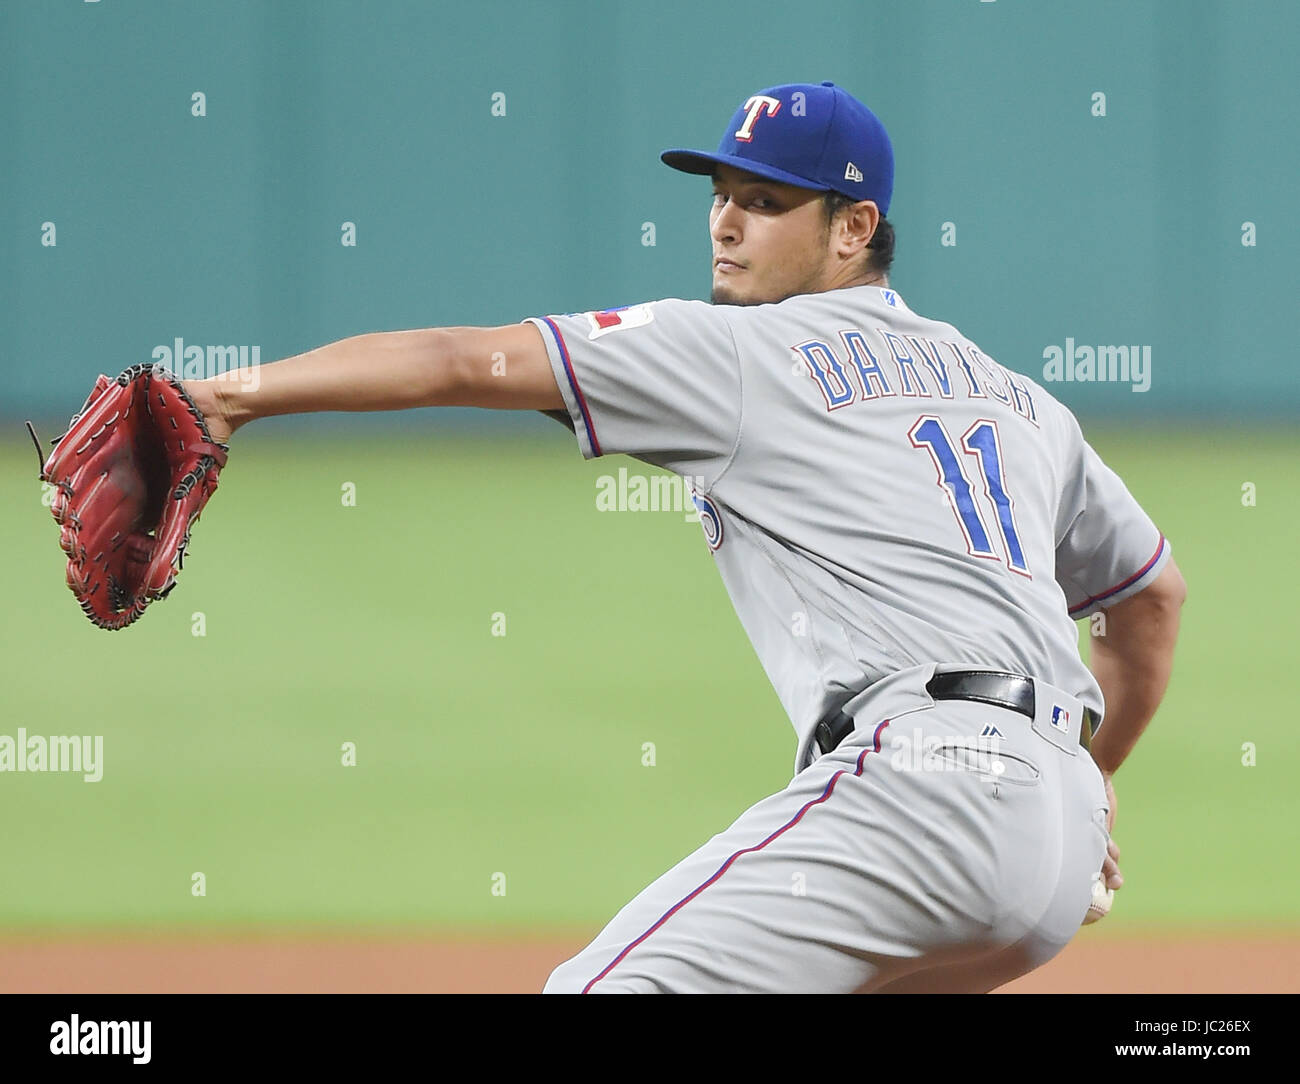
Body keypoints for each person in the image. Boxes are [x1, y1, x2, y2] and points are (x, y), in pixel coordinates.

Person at [184, 81, 1186, 993]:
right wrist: (1089, 781)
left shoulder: (744, 352)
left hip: (925, 795)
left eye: (764, 200)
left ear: (853, 229)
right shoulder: (1017, 400)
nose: (726, 222)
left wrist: (227, 396)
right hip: (1056, 841)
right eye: (720, 193)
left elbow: (461, 359)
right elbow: (1150, 597)